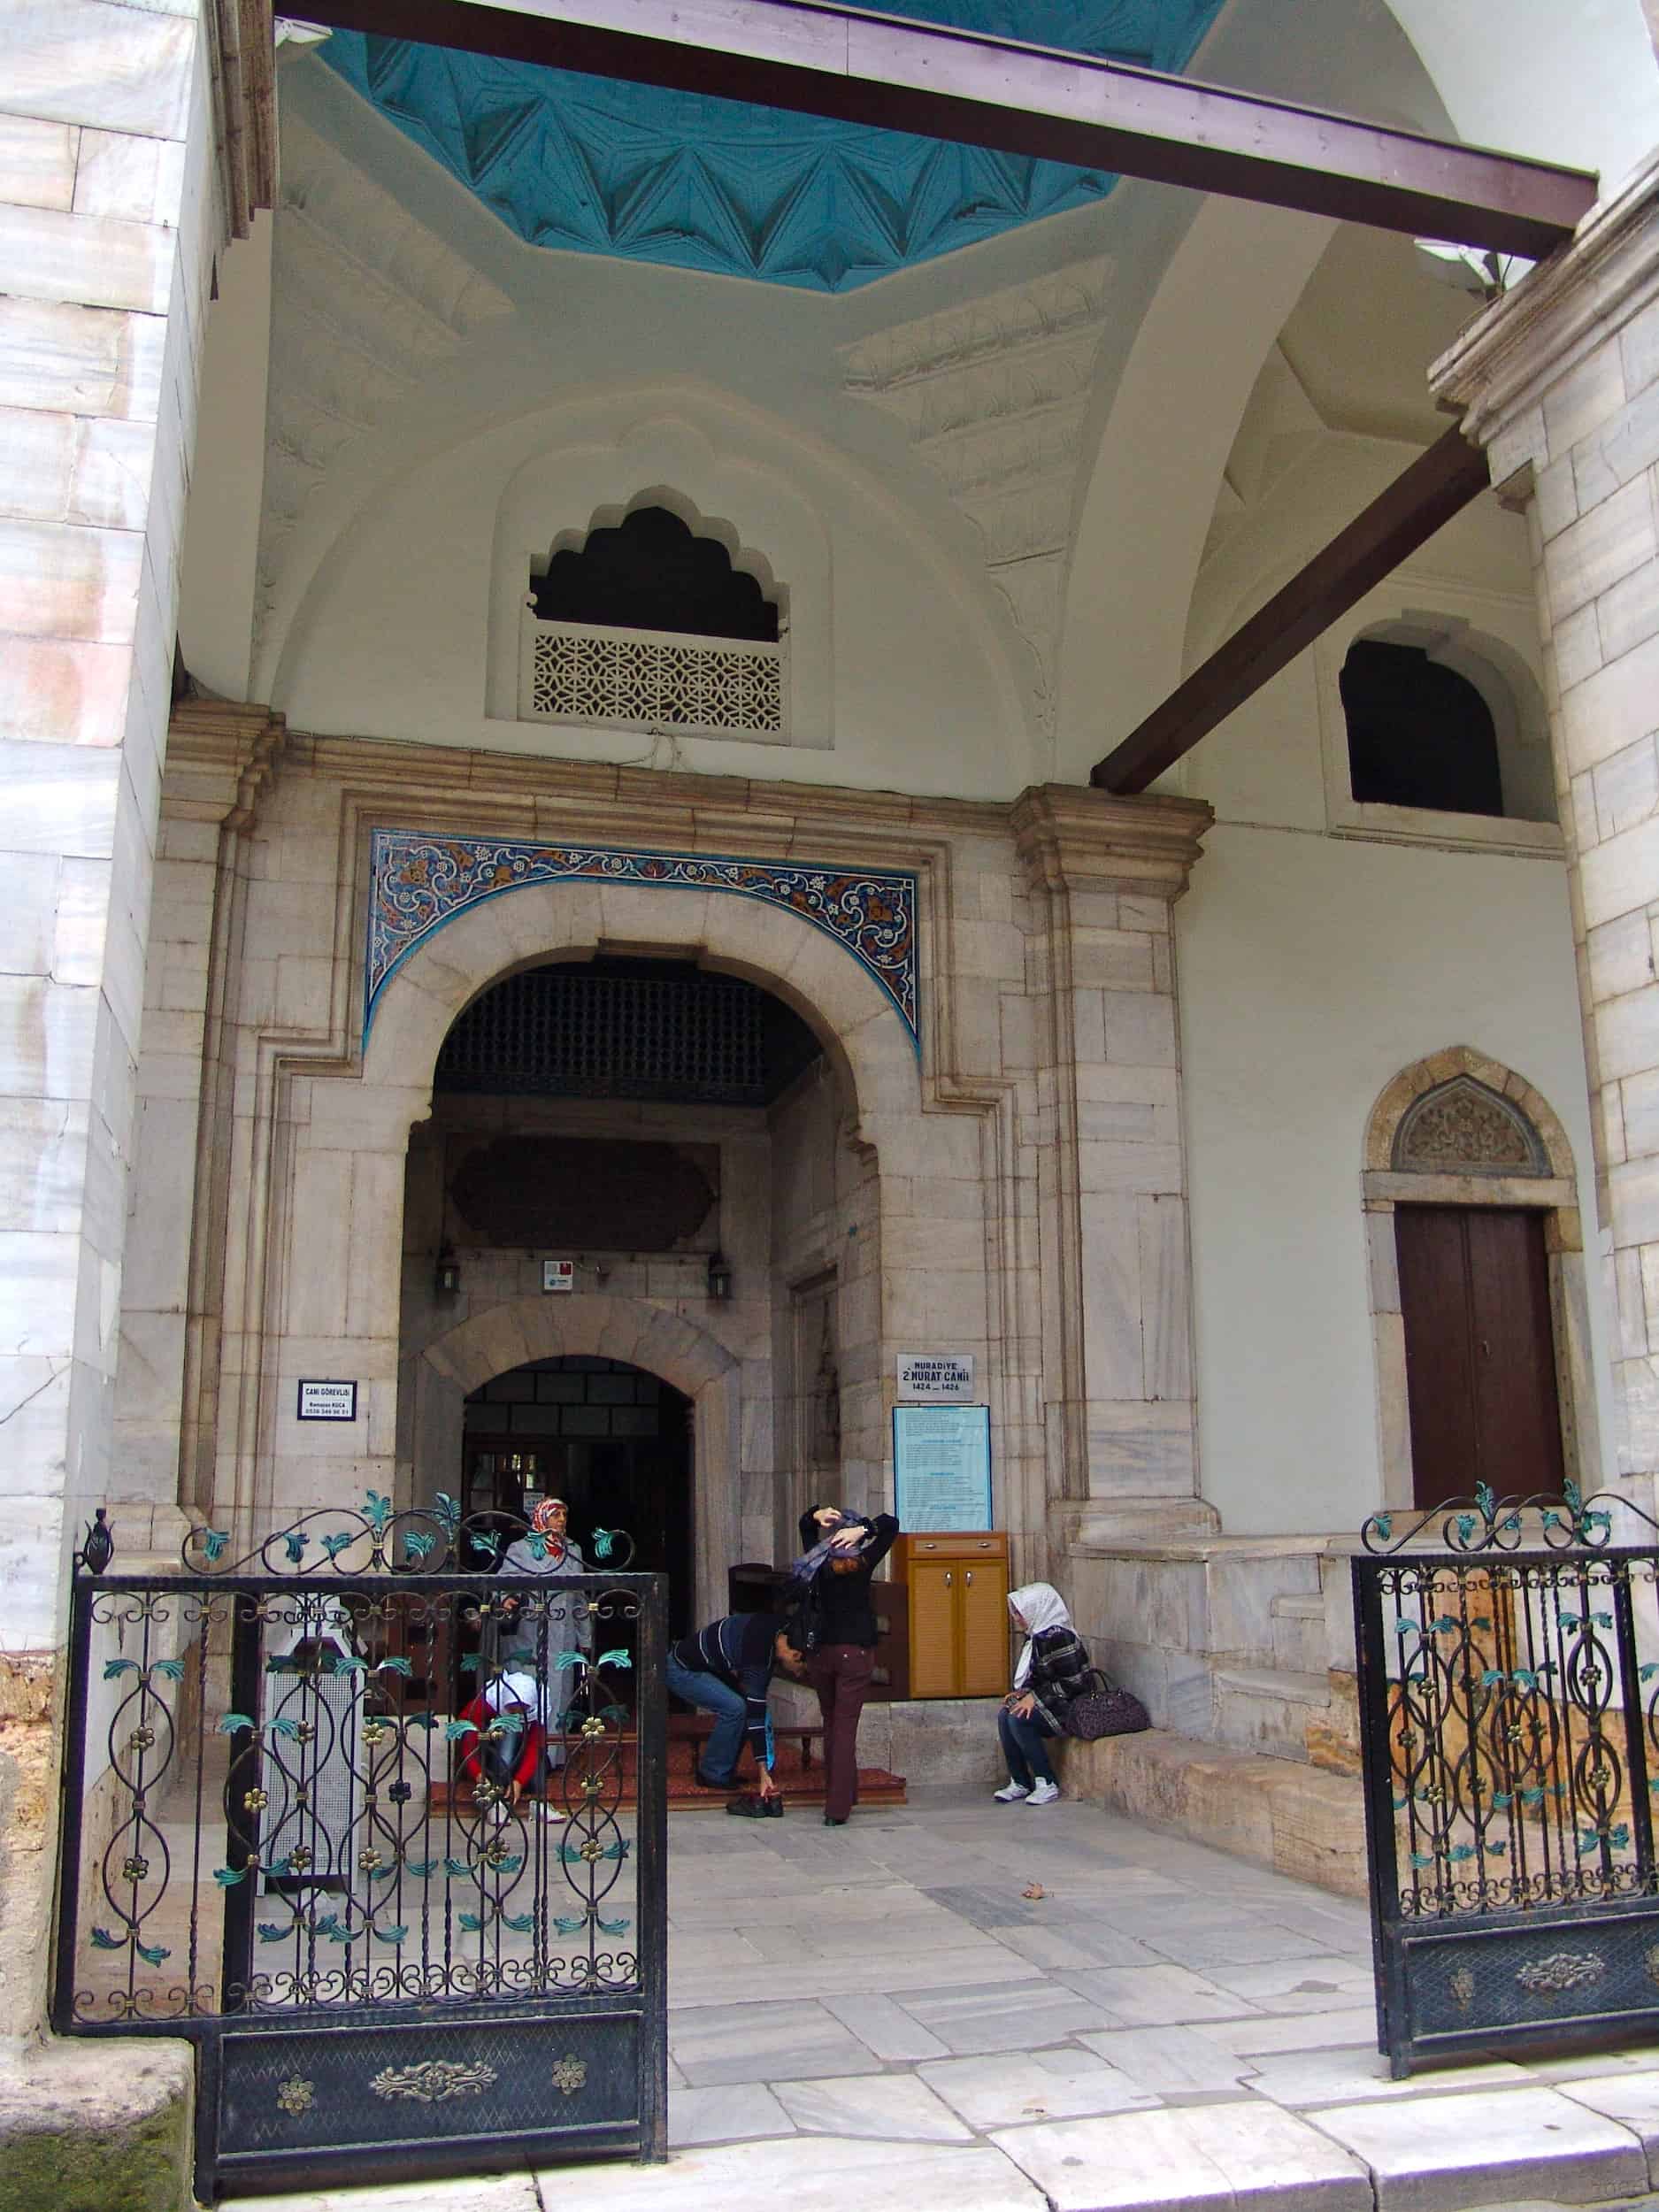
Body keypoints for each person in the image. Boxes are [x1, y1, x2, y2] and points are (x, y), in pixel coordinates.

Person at [794, 1502, 899, 1827]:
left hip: (821, 1653)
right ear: (852, 1539)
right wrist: (865, 1528)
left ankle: (844, 1792)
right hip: (854, 1653)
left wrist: (816, 1515)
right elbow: (891, 1524)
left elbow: (804, 1526)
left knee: (831, 1723)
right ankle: (837, 1808)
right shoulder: (863, 1562)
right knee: (844, 1729)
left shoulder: (818, 1562)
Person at [667, 1611, 809, 1816]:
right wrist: (763, 1771)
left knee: (745, 1706)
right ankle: (712, 1772)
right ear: (795, 1654)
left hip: (707, 1668)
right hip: (680, 1669)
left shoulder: (779, 1627)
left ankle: (722, 1770)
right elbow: (757, 1712)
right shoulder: (760, 1655)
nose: (798, 1674)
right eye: (800, 1669)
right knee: (737, 1708)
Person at [498, 1497, 591, 1767]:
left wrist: (585, 1637)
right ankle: (522, 1759)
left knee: (560, 1694)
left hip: (564, 1633)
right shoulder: (521, 1548)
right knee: (529, 1694)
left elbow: (581, 1597)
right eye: (555, 1515)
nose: (561, 1520)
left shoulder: (573, 1549)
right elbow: (503, 1582)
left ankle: (552, 1758)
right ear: (541, 1518)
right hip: (532, 1632)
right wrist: (506, 1599)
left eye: (564, 1514)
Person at [995, 1581, 1091, 1807]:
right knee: (1005, 1714)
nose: (1017, 1618)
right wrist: (1022, 1694)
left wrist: (1034, 1699)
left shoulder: (1058, 1637)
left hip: (1070, 1706)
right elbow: (1038, 1678)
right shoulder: (1037, 1637)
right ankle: (1020, 1781)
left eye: (1020, 1612)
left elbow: (1075, 1683)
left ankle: (1046, 1782)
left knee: (1019, 1719)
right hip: (1051, 1701)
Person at [454, 1668, 560, 1824]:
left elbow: (534, 1746)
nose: (517, 1714)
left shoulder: (539, 1706)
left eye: (522, 1709)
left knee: (540, 1765)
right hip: (494, 1749)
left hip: (522, 1751)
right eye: (512, 1709)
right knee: (507, 1742)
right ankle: (496, 1804)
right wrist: (477, 1773)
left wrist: (519, 1781)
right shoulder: (489, 1700)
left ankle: (538, 1803)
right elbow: (468, 1737)